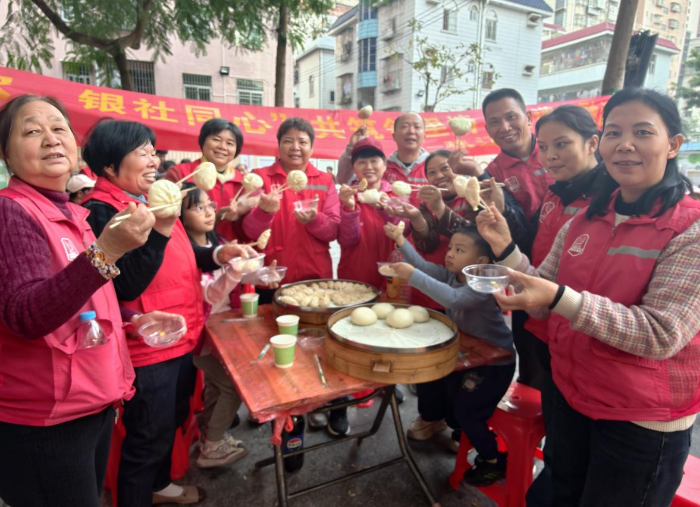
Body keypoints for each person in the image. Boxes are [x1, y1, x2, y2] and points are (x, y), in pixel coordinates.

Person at [476, 88, 700, 506]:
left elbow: (661, 334)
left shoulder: (690, 229)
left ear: (672, 145)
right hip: (572, 396)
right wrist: (504, 247)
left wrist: (559, 297)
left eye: (642, 132)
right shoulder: (586, 218)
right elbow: (542, 294)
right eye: (615, 132)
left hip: (639, 420)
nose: (625, 144)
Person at [0, 94, 167, 506]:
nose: (51, 139)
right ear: (6, 154)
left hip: (88, 401)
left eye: (59, 128)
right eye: (32, 131)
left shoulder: (71, 214)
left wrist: (130, 319)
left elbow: (82, 294)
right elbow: (25, 314)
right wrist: (107, 251)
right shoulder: (11, 212)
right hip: (45, 419)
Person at [82, 119, 249, 507]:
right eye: (141, 152)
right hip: (148, 346)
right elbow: (126, 284)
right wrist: (160, 226)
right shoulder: (99, 211)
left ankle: (158, 487)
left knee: (170, 422)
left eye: (152, 151)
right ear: (109, 165)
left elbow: (182, 254)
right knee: (146, 438)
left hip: (180, 336)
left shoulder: (146, 200)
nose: (154, 160)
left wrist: (218, 253)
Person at [384, 223, 515, 486]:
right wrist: (401, 241)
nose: (450, 254)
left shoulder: (482, 286)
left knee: (468, 413)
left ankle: (494, 459)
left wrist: (413, 277)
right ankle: (460, 432)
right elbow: (423, 266)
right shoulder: (454, 274)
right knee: (454, 400)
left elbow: (453, 299)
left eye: (459, 250)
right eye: (451, 248)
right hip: (473, 354)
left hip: (495, 363)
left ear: (481, 261)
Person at [524, 105, 608, 507]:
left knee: (577, 449)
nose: (551, 155)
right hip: (546, 326)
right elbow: (538, 256)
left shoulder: (606, 200)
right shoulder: (555, 193)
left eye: (562, 144)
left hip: (584, 334)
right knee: (560, 434)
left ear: (592, 143)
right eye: (544, 147)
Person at [481, 88, 556, 390]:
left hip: (578, 268)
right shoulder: (490, 175)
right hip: (526, 272)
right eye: (495, 121)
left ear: (528, 117)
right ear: (487, 129)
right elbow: (510, 236)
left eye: (511, 117)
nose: (505, 127)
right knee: (533, 358)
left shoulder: (557, 151)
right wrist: (500, 208)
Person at [178, 185, 254, 468]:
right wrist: (235, 270)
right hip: (200, 334)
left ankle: (209, 435)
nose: (209, 212)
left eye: (210, 205)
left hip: (223, 328)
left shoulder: (219, 241)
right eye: (198, 208)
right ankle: (212, 445)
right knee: (232, 387)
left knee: (215, 386)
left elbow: (236, 275)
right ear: (179, 215)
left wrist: (260, 274)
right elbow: (210, 295)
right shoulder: (185, 251)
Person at [243, 117, 340, 302]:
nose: (295, 147)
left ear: (311, 149)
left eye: (302, 142)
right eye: (288, 141)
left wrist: (315, 220)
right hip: (273, 275)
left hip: (316, 276)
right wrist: (263, 213)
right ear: (279, 146)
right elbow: (249, 231)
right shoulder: (261, 178)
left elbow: (334, 231)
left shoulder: (325, 181)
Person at [337, 138, 408, 289]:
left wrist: (385, 211)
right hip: (355, 278)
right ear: (353, 167)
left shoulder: (397, 195)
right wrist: (350, 208)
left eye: (374, 161)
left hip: (392, 275)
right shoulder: (346, 196)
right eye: (362, 162)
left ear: (385, 165)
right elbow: (347, 241)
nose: (368, 167)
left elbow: (405, 232)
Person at [165, 118, 250, 242]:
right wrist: (217, 217)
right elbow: (169, 220)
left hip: (232, 249)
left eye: (230, 143)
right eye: (216, 140)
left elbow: (247, 230)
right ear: (203, 141)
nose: (222, 147)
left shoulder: (243, 183)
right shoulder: (181, 173)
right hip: (191, 247)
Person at [337, 113, 429, 187]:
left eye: (417, 127)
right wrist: (351, 149)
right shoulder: (381, 167)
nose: (411, 131)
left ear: (424, 136)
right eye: (405, 126)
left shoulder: (432, 167)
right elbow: (345, 181)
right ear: (394, 136)